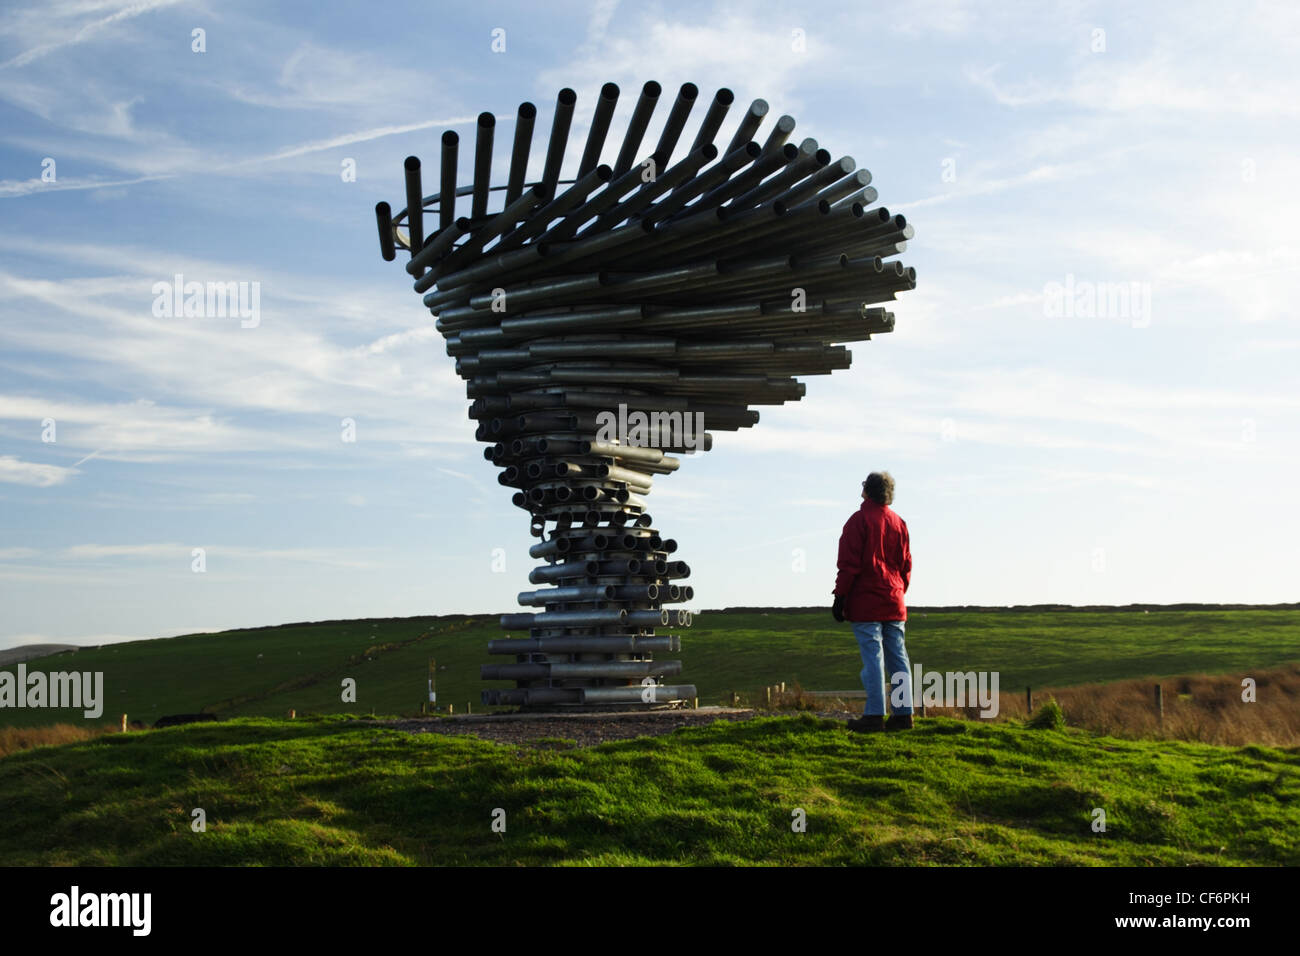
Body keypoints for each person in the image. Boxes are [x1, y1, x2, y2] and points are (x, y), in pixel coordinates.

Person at [832, 471, 913, 733]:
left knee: (873, 658)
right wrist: (900, 590)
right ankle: (903, 714)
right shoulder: (899, 523)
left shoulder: (858, 521)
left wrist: (840, 597)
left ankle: (875, 714)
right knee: (898, 657)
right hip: (894, 598)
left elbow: (849, 565)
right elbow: (905, 565)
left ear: (867, 490)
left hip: (867, 601)